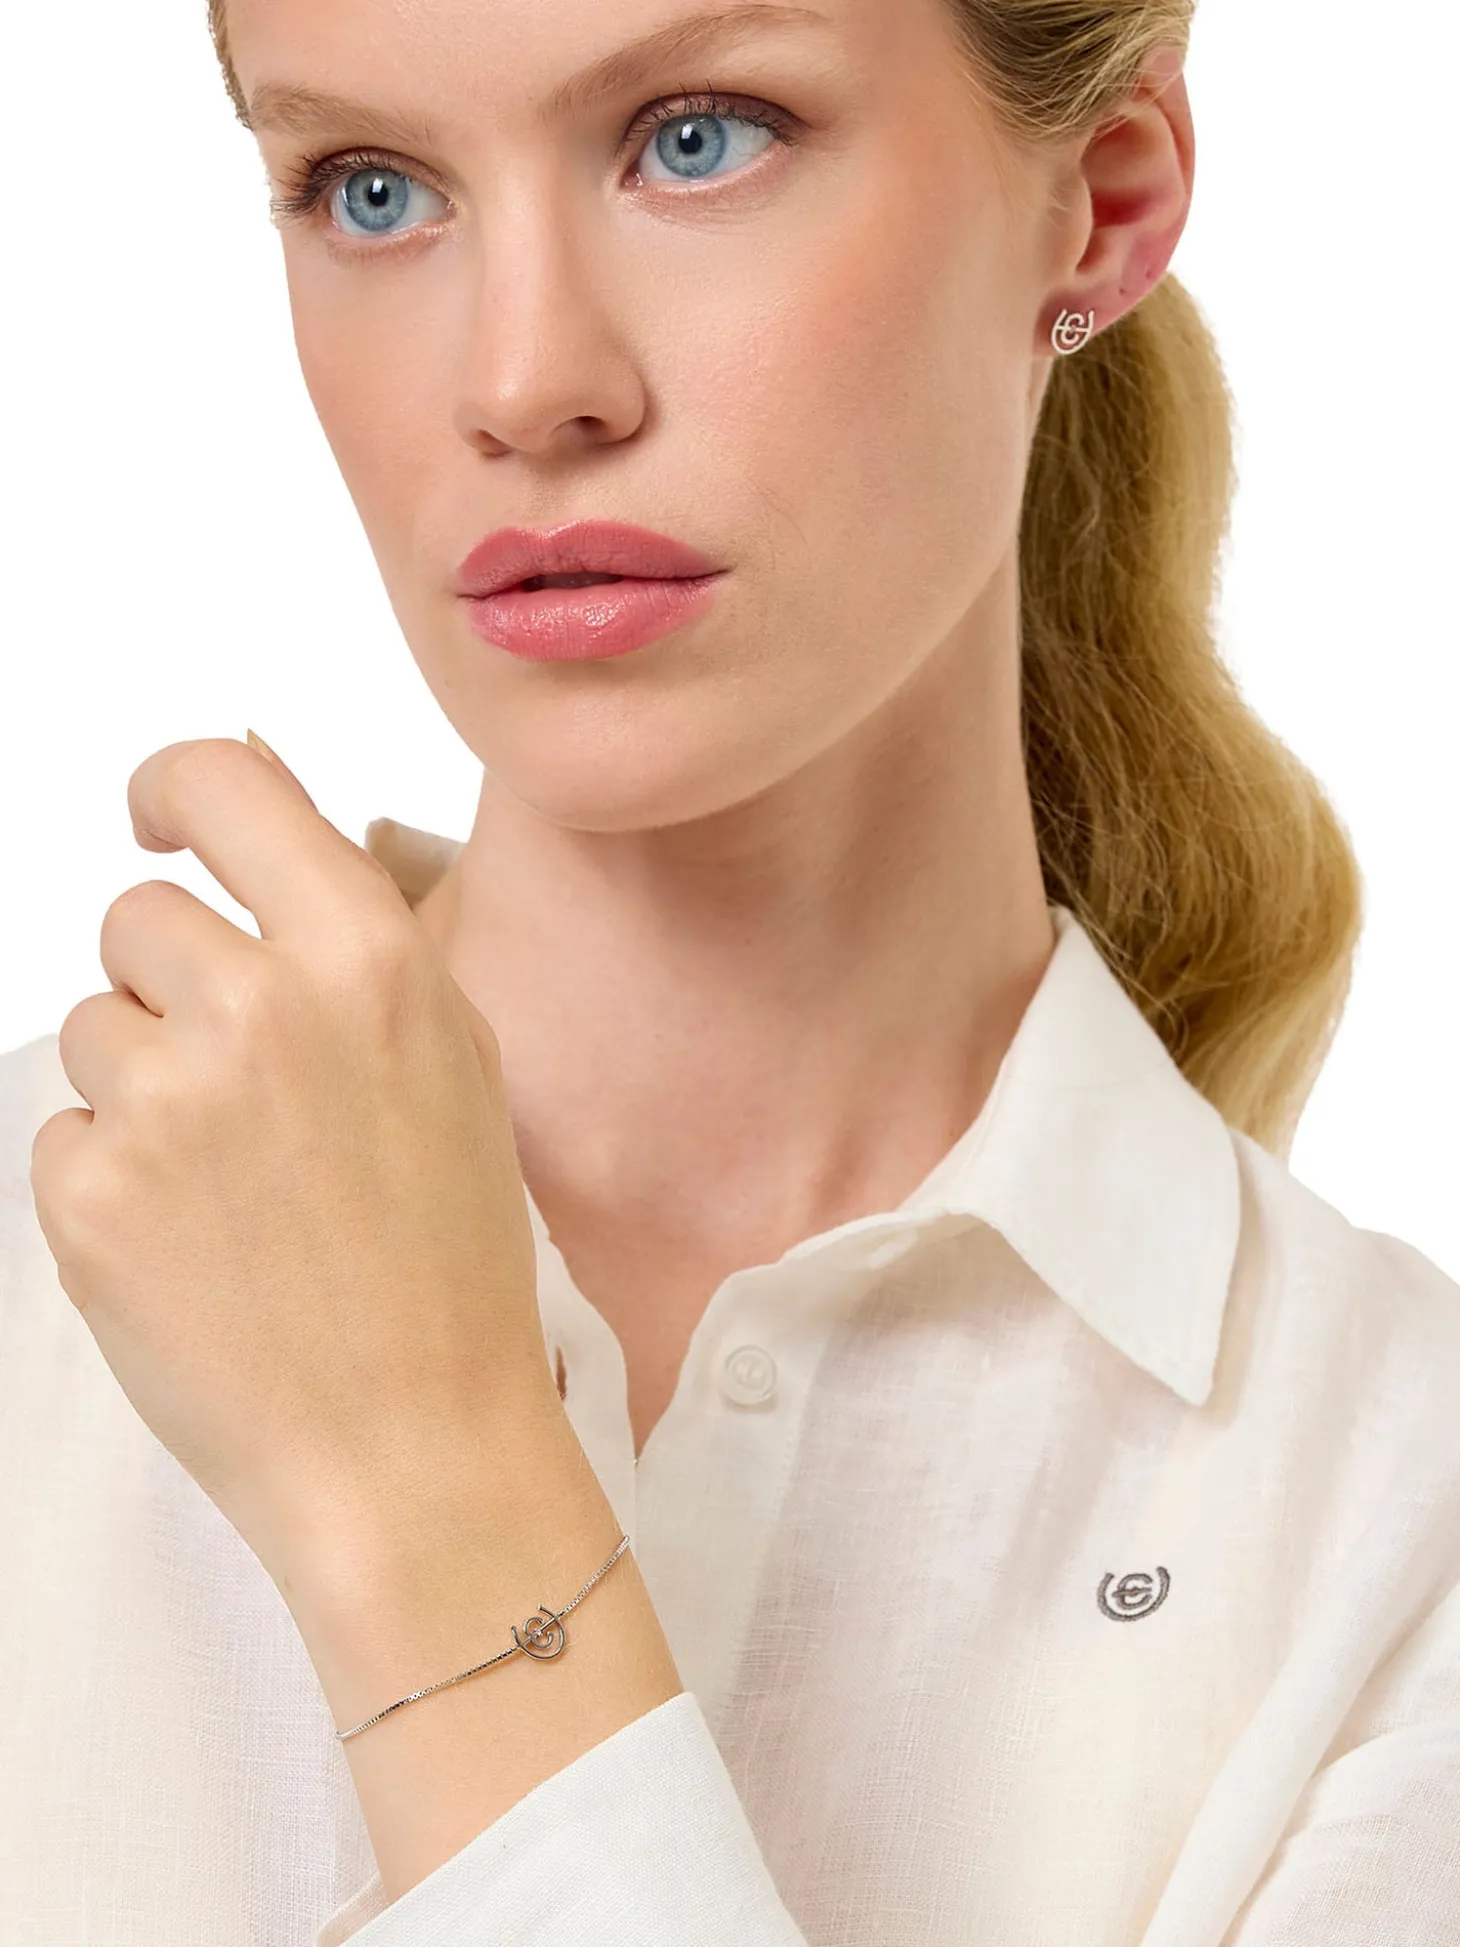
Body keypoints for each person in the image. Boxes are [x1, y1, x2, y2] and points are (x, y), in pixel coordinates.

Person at [1, 0, 1456, 1941]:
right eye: (371, 188)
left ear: (1102, 199)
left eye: (699, 137)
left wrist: (433, 1506)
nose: (525, 383)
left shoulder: (1402, 1536)